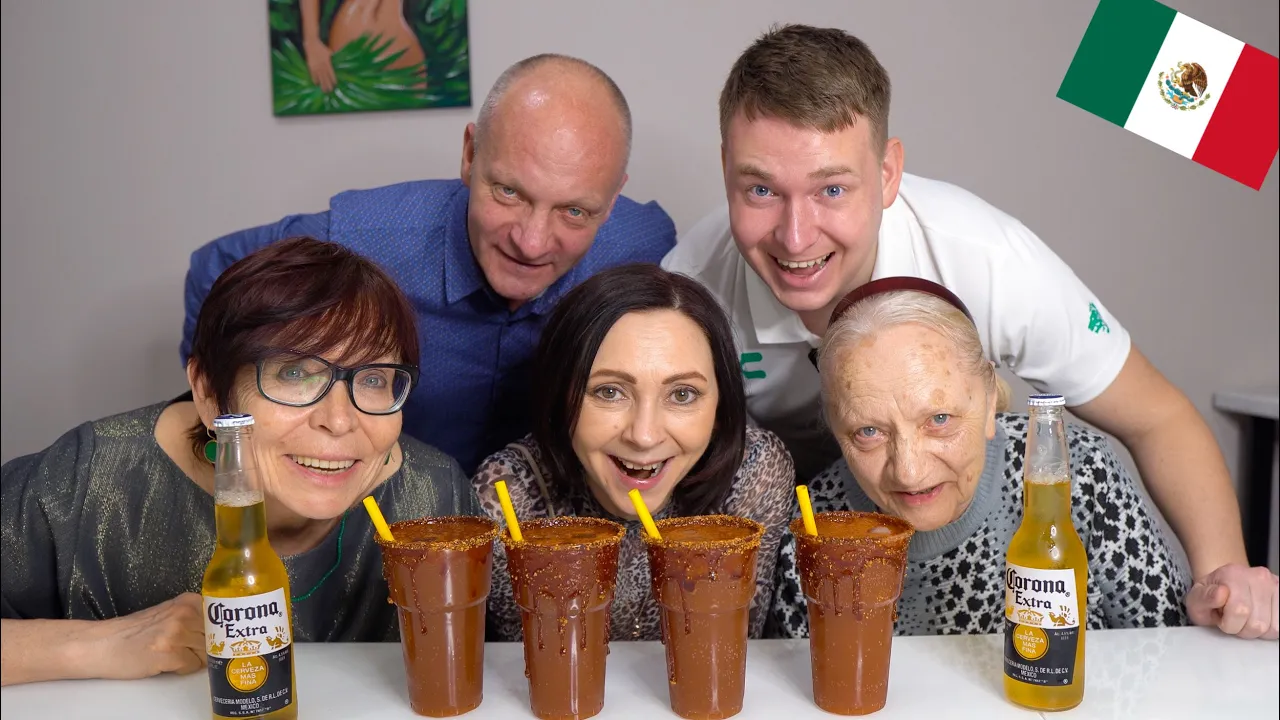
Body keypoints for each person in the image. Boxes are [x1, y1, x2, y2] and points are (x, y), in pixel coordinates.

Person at [663, 23, 1277, 637]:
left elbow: (1157, 415)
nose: (796, 236)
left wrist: (1229, 581)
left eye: (832, 189)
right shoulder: (686, 295)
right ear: (726, 170)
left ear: (888, 173)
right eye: (761, 189)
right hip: (799, 545)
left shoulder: (991, 261)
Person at [1, 237, 481, 687]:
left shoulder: (434, 496)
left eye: (375, 378)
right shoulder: (87, 479)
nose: (339, 421)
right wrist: (93, 647)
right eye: (295, 373)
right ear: (209, 393)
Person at [183, 53, 677, 475]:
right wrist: (232, 447)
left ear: (612, 201)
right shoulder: (363, 241)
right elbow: (214, 268)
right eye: (508, 191)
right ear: (469, 155)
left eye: (574, 211)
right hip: (386, 517)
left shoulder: (644, 246)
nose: (531, 242)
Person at [768, 279, 1240, 639]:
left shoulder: (1077, 474)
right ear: (835, 425)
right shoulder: (812, 529)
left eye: (939, 419)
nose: (909, 472)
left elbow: (1171, 650)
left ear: (990, 396)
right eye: (868, 432)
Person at [472, 264, 795, 642]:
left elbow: (733, 653)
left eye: (682, 395)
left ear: (721, 409)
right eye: (609, 392)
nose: (643, 436)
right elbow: (537, 670)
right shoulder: (507, 497)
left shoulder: (755, 473)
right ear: (560, 398)